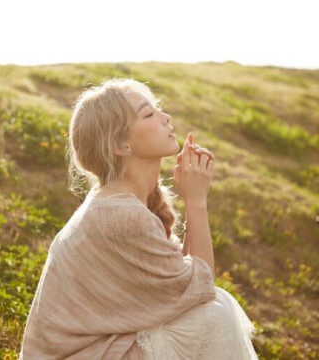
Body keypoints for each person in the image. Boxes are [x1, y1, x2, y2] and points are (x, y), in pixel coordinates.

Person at [20, 78, 258, 359]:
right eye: (149, 114)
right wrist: (196, 201)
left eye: (158, 109)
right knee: (214, 313)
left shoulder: (118, 201)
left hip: (93, 348)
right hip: (81, 353)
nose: (165, 117)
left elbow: (177, 286)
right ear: (122, 145)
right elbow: (201, 287)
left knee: (211, 311)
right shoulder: (123, 214)